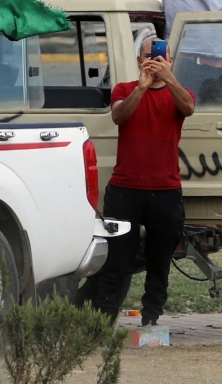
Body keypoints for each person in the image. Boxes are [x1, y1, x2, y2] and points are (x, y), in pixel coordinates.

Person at [76, 38, 195, 326]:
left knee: (159, 263)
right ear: (139, 59)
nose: (154, 61)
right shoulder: (125, 89)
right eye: (148, 56)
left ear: (170, 60)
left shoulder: (179, 92)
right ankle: (102, 321)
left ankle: (151, 320)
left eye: (161, 57)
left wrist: (168, 79)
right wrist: (142, 87)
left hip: (165, 190)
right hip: (125, 189)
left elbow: (189, 108)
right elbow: (119, 116)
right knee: (115, 261)